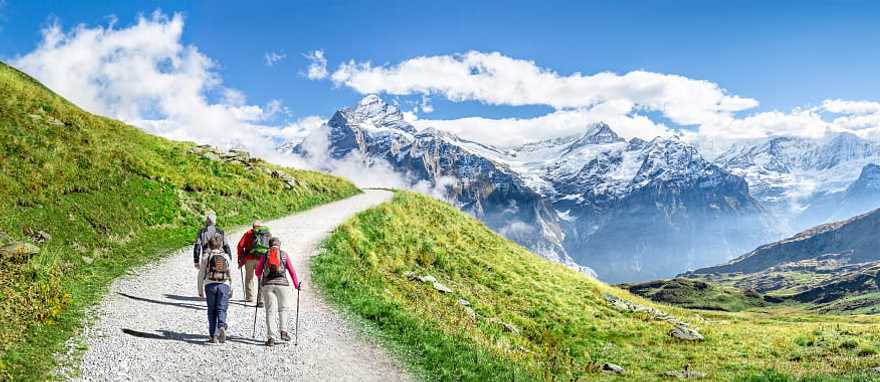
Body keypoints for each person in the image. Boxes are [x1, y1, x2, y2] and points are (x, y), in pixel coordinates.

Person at [255, 236, 300, 346]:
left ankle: (271, 338)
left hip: (268, 285)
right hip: (282, 285)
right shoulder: (284, 255)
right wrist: (296, 285)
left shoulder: (265, 255)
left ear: (269, 245)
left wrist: (261, 275)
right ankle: (283, 332)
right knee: (283, 309)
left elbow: (257, 272)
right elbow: (292, 271)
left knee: (270, 311)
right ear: (279, 245)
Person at [198, 234, 234, 344]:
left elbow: (201, 274)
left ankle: (213, 336)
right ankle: (221, 325)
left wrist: (200, 289)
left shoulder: (206, 256)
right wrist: (231, 287)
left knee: (211, 311)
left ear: (209, 245)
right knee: (221, 308)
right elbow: (230, 273)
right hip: (224, 285)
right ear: (221, 245)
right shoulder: (226, 256)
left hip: (210, 285)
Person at [237, 220, 271, 306]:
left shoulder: (248, 233)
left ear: (253, 227)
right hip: (261, 259)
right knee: (261, 278)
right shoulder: (266, 233)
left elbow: (240, 246)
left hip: (249, 259)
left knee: (249, 278)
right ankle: (261, 300)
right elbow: (271, 246)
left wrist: (240, 258)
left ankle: (249, 297)